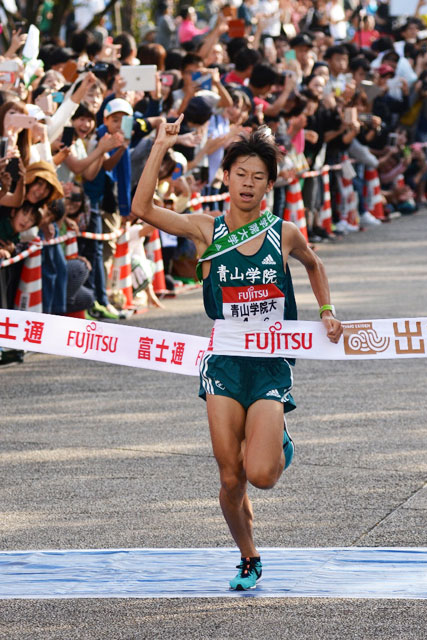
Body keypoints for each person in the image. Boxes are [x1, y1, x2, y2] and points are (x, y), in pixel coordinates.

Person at [132, 117, 343, 590]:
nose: (248, 184)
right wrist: (160, 145)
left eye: (258, 177)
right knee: (231, 479)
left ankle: (276, 436)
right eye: (241, 174)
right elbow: (142, 207)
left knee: (261, 474)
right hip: (224, 363)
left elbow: (314, 263)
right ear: (226, 176)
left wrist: (327, 310)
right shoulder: (207, 230)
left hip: (270, 362)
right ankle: (249, 557)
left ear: (270, 184)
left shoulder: (282, 232)